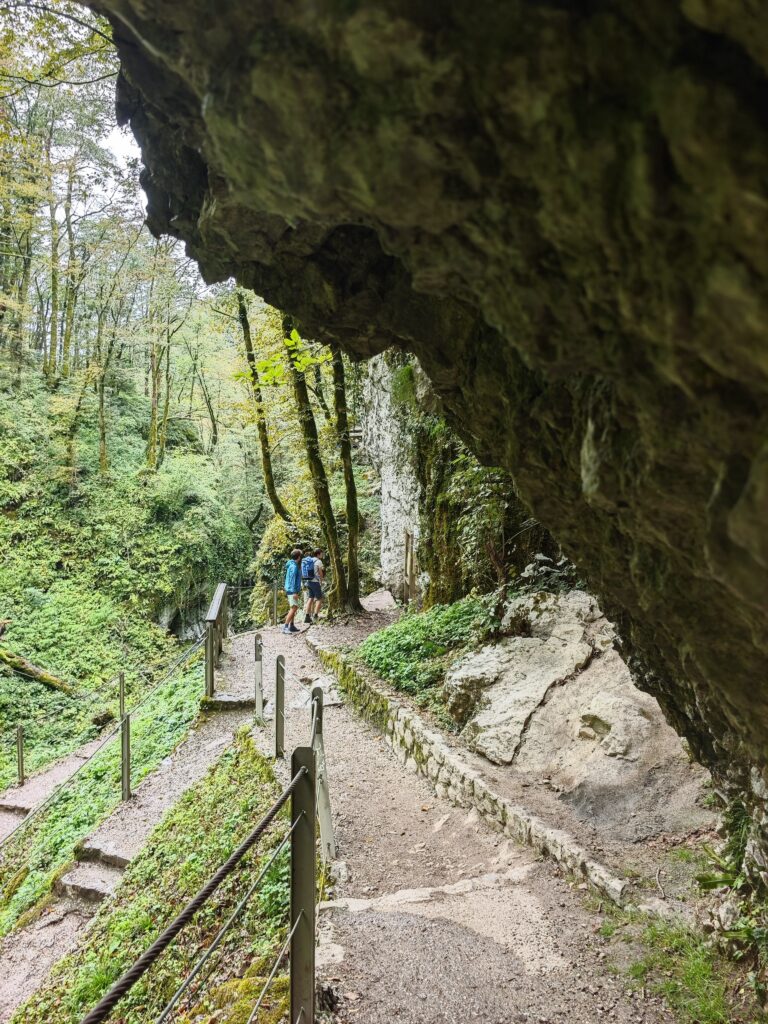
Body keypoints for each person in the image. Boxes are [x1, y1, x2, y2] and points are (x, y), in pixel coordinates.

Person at [282, 548, 303, 634]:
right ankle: (285, 627)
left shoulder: (292, 565)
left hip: (291, 589)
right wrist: (294, 592)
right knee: (294, 608)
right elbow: (292, 580)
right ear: (298, 557)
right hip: (292, 590)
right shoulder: (293, 566)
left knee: (294, 607)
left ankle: (292, 625)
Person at [303, 548, 325, 624]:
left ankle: (307, 617)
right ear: (318, 554)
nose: (322, 555)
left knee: (310, 598)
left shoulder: (310, 560)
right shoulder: (318, 561)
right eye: (321, 553)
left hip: (308, 581)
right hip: (315, 582)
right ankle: (315, 616)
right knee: (319, 599)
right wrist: (321, 581)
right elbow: (320, 572)